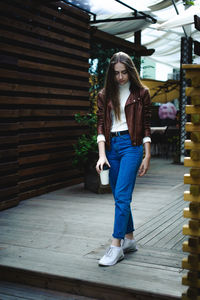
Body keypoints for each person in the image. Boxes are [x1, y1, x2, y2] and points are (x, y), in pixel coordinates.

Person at [96, 52, 151, 266]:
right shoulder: (104, 94)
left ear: (130, 71)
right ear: (111, 73)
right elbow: (100, 125)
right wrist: (102, 154)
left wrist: (147, 154)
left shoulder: (141, 93)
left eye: (124, 72)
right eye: (116, 73)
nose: (120, 77)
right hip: (112, 147)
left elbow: (146, 124)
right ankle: (130, 240)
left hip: (132, 146)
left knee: (121, 195)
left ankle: (115, 246)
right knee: (120, 196)